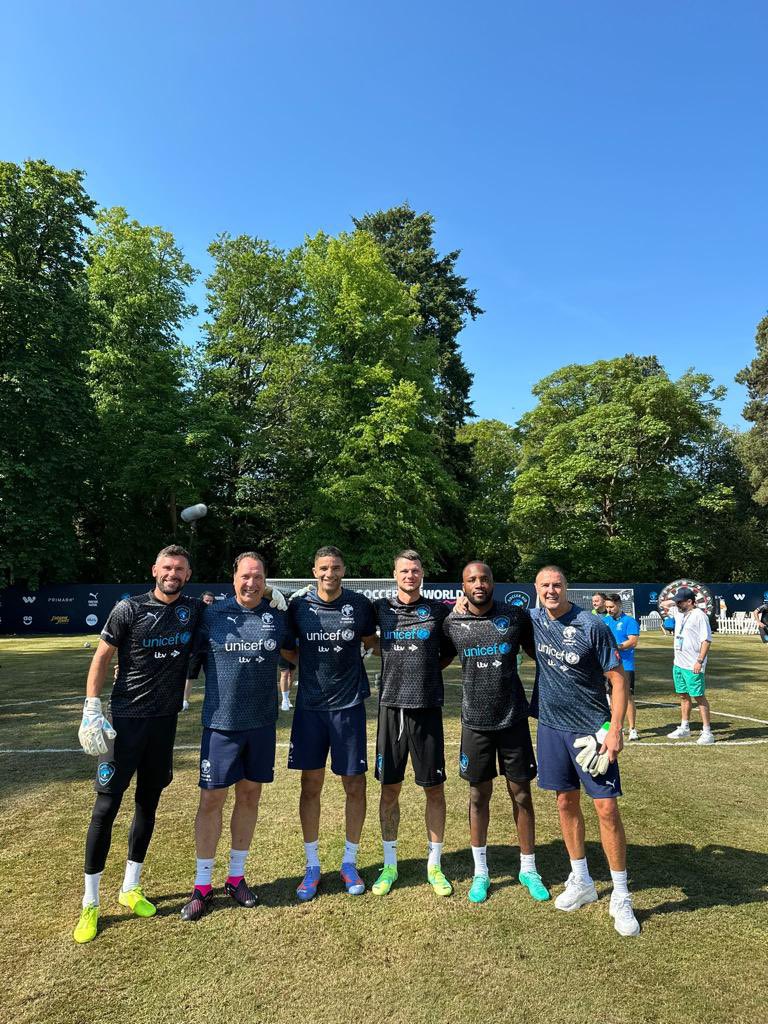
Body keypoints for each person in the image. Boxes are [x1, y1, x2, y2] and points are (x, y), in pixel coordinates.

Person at [73, 545, 203, 943]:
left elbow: (238, 602)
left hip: (164, 725)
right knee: (106, 806)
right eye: (167, 567)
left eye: (179, 569)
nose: (172, 574)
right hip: (125, 724)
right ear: (154, 570)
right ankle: (90, 903)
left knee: (148, 804)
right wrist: (91, 707)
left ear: (187, 574)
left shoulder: (194, 610)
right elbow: (101, 657)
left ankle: (130, 887)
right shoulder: (128, 609)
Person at [530, 565, 640, 937]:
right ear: (536, 590)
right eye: (544, 585)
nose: (551, 590)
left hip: (590, 730)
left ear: (567, 588)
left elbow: (617, 680)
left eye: (557, 584)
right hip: (550, 726)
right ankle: (582, 880)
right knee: (565, 802)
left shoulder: (592, 625)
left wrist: (614, 729)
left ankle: (621, 894)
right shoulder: (533, 619)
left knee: (606, 808)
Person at [180, 552, 288, 921]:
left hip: (261, 725)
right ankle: (202, 885)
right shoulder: (211, 614)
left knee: (250, 796)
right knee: (211, 800)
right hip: (220, 725)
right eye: (245, 576)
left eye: (258, 577)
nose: (251, 583)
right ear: (234, 578)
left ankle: (236, 877)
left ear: (266, 581)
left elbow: (300, 650)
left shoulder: (276, 618)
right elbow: (185, 651)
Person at [445, 562, 549, 906]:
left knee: (521, 795)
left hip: (513, 720)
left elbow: (541, 651)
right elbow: (437, 657)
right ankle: (481, 872)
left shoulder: (515, 616)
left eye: (484, 578)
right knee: (478, 797)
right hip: (475, 722)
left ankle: (528, 868)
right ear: (462, 586)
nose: (479, 584)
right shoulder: (453, 622)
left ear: (493, 582)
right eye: (472, 579)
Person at [281, 546, 377, 900]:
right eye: (323, 567)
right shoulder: (298, 607)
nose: (329, 573)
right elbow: (288, 649)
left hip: (349, 706)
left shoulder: (359, 604)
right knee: (311, 786)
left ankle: (349, 862)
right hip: (310, 708)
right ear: (314, 570)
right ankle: (312, 866)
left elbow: (370, 641)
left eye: (335, 567)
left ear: (343, 569)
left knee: (355, 784)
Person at [370, 550, 454, 898]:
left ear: (422, 574)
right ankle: (390, 864)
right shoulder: (380, 609)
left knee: (433, 789)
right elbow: (367, 640)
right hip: (391, 708)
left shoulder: (438, 612)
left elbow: (449, 649)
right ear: (394, 573)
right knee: (389, 788)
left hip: (427, 708)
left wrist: (429, 671)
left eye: (415, 570)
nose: (410, 575)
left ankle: (434, 864)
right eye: (404, 570)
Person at [660, 587, 714, 744]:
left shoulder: (699, 616)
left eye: (680, 601)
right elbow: (664, 603)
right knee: (683, 695)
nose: (676, 604)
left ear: (690, 602)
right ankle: (684, 727)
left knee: (698, 696)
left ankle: (707, 731)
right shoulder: (679, 612)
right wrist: (675, 600)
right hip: (679, 662)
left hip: (693, 664)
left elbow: (706, 640)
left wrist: (699, 660)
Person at [603, 594, 640, 740]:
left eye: (611, 607)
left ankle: (632, 729)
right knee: (612, 697)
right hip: (608, 665)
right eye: (606, 607)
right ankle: (617, 726)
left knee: (628, 697)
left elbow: (633, 641)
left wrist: (616, 647)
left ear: (619, 605)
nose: (609, 610)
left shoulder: (629, 621)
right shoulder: (605, 621)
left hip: (625, 665)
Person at [182, 591, 215, 710]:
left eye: (211, 601)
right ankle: (184, 701)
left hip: (211, 651)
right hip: (195, 650)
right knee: (189, 676)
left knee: (212, 677)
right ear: (201, 600)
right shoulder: (193, 614)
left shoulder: (215, 615)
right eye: (207, 600)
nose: (209, 603)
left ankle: (213, 701)